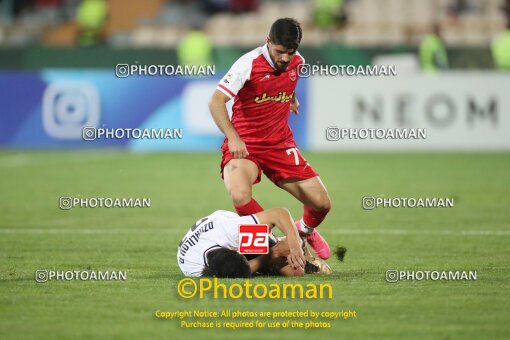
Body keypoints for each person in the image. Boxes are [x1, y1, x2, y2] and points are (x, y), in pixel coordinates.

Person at [208, 18, 332, 260]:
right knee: (239, 194)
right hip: (246, 145)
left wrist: (290, 98)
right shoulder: (248, 63)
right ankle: (276, 246)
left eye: (290, 52)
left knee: (322, 204)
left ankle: (303, 231)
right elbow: (215, 101)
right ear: (268, 42)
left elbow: (287, 80)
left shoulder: (298, 63)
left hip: (279, 144)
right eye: (279, 52)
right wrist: (232, 137)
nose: (285, 58)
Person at [177, 208, 331, 278]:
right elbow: (241, 271)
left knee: (294, 270)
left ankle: (296, 235)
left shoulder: (232, 231)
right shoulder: (194, 266)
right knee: (293, 271)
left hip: (223, 226)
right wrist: (274, 253)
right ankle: (280, 247)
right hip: (214, 248)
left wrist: (294, 244)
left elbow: (279, 213)